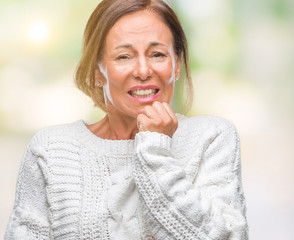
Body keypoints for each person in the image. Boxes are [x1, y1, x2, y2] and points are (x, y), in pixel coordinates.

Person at [5, 0, 248, 239]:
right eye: (124, 57)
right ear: (97, 71)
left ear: (176, 65)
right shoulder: (50, 150)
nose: (143, 71)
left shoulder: (212, 138)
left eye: (157, 54)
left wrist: (154, 149)